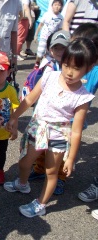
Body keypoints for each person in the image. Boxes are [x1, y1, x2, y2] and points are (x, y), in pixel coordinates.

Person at [4, 38, 96, 218]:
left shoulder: (82, 97)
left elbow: (76, 130)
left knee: (51, 171)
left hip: (60, 135)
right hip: (38, 128)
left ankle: (41, 204)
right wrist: (14, 116)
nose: (69, 72)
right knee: (24, 162)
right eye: (66, 65)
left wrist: (70, 158)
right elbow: (30, 99)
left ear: (89, 68)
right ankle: (22, 184)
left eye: (76, 68)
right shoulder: (50, 76)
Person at [28, 30, 71, 195]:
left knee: (60, 154)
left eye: (63, 48)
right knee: (40, 146)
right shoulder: (47, 65)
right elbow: (36, 88)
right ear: (49, 49)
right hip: (43, 115)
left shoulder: (70, 70)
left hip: (62, 120)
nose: (59, 52)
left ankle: (60, 177)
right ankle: (39, 169)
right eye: (56, 48)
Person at [71, 23, 98, 221]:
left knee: (68, 153)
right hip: (63, 119)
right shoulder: (75, 66)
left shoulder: (93, 70)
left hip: (76, 120)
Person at [0, 51, 20, 185]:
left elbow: (16, 109)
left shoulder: (11, 90)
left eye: (1, 71)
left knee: (2, 153)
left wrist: (15, 128)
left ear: (8, 72)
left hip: (3, 131)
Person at [33, 0, 64, 69]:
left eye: (59, 5)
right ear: (52, 6)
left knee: (50, 54)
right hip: (44, 36)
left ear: (61, 7)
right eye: (55, 5)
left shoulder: (61, 17)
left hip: (52, 39)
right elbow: (40, 25)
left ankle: (47, 66)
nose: (57, 7)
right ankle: (37, 63)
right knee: (40, 52)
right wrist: (36, 35)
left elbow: (60, 29)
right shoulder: (47, 14)